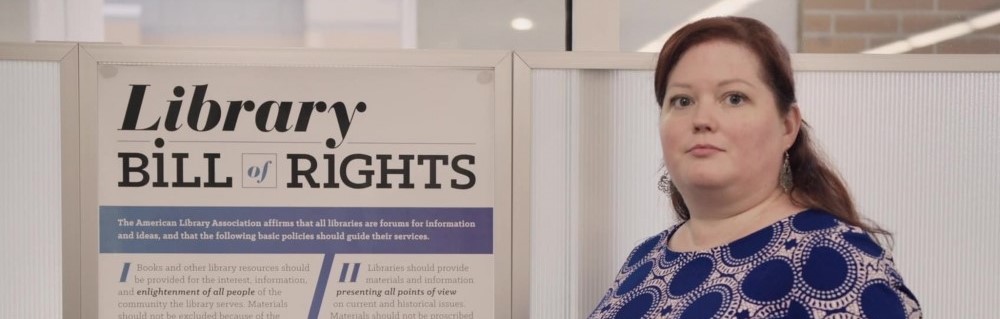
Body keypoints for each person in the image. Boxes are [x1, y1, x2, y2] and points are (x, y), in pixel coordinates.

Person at [588, 17, 922, 318]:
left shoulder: (834, 259)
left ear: (787, 126)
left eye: (734, 98)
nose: (702, 119)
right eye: (682, 100)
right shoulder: (644, 259)